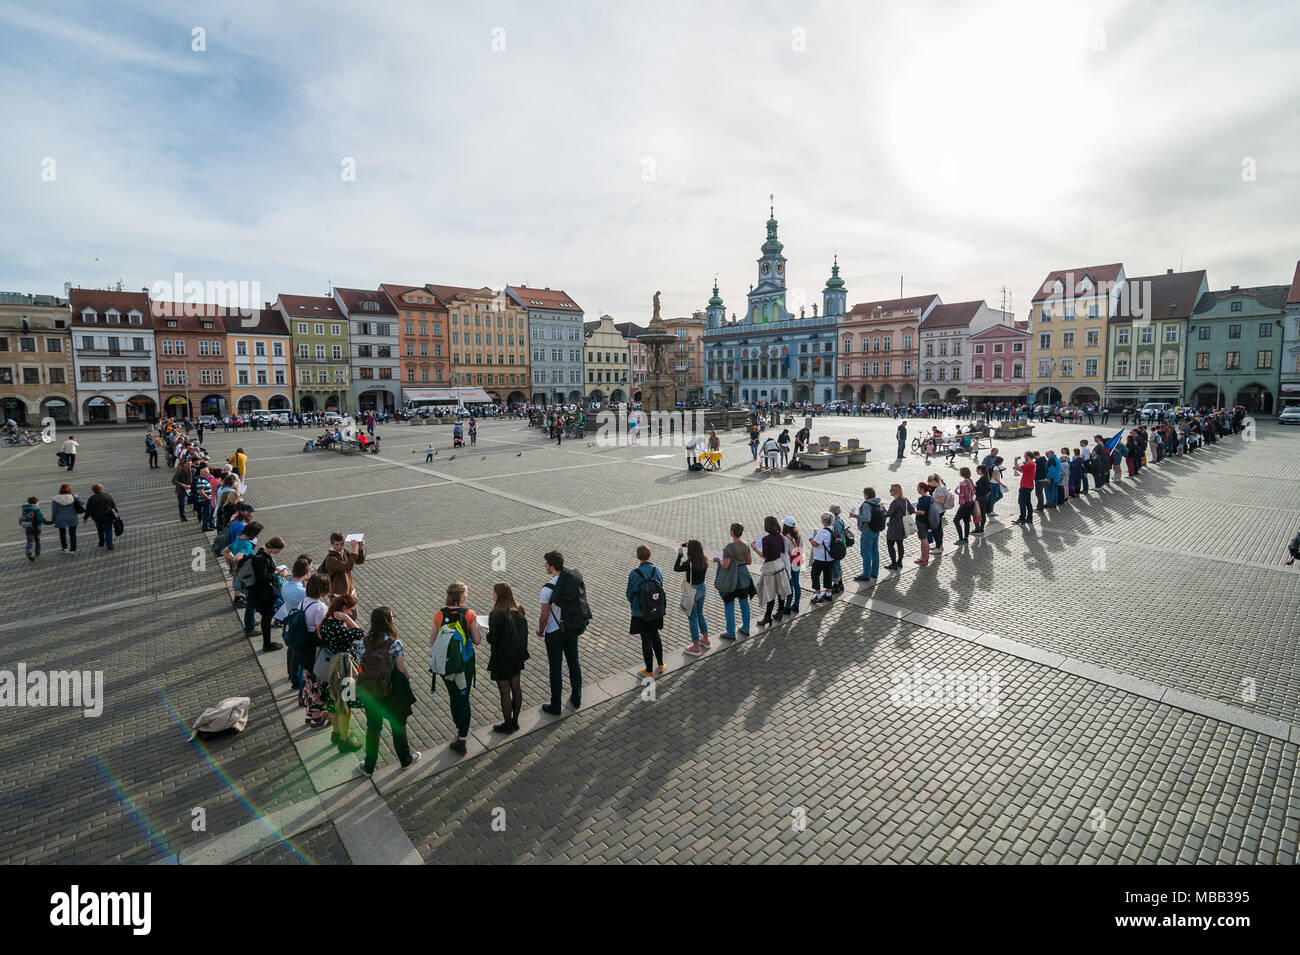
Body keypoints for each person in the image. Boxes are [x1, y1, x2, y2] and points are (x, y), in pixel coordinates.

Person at [355, 606, 420, 774]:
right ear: (388, 621)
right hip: (391, 693)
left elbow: (360, 666)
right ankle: (405, 759)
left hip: (370, 692)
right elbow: (400, 668)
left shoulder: (363, 642)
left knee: (373, 729)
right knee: (398, 727)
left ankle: (369, 766)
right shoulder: (395, 643)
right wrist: (407, 676)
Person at [538, 551, 582, 714]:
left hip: (554, 632)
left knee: (555, 668)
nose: (545, 566)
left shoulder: (547, 589)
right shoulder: (573, 580)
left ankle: (555, 705)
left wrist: (540, 631)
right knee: (574, 663)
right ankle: (576, 697)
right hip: (571, 629)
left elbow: (544, 616)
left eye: (546, 563)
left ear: (551, 565)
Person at [319, 593, 364, 752]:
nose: (352, 613)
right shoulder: (339, 628)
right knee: (346, 705)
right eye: (351, 610)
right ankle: (345, 741)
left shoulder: (326, 622)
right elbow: (360, 633)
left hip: (331, 668)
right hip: (344, 669)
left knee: (333, 702)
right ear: (344, 609)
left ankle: (337, 733)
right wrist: (348, 620)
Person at [487, 582, 529, 734]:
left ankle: (507, 725)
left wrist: (487, 633)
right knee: (516, 687)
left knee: (505, 692)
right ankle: (515, 722)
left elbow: (493, 639)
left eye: (494, 592)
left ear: (499, 595)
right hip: (517, 656)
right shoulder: (519, 609)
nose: (492, 595)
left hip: (501, 658)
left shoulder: (496, 614)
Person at [628, 545, 666, 674]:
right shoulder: (657, 570)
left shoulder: (634, 573)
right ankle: (661, 664)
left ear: (638, 557)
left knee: (646, 640)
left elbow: (629, 593)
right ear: (649, 555)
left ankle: (649, 670)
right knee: (655, 635)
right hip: (656, 609)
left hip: (641, 612)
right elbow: (661, 586)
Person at [301, 574, 332, 727]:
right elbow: (323, 631)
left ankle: (309, 713)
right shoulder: (320, 607)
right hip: (315, 650)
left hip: (304, 648)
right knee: (317, 684)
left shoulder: (304, 602)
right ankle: (317, 718)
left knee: (308, 681)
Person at [247, 536, 286, 653]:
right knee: (266, 618)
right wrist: (276, 572)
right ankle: (267, 644)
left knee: (266, 618)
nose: (279, 552)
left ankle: (267, 642)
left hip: (264, 593)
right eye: (278, 550)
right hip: (265, 594)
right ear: (273, 547)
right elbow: (263, 578)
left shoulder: (262, 553)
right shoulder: (262, 559)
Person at [714, 524, 754, 638]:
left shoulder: (728, 547)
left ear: (732, 532)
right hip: (744, 576)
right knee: (744, 603)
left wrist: (719, 560)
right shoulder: (746, 544)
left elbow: (725, 566)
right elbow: (749, 562)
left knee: (729, 604)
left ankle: (731, 632)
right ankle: (746, 628)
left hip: (732, 578)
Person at [676, 539, 711, 656]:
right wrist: (687, 545)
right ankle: (706, 640)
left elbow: (676, 568)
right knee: (700, 613)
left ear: (690, 550)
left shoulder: (688, 564)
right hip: (702, 589)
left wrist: (679, 555)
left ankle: (695, 647)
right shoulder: (704, 559)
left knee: (692, 618)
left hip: (692, 591)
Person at [754, 515, 793, 620]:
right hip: (780, 565)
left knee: (770, 593)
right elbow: (783, 551)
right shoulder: (781, 536)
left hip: (770, 568)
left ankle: (767, 617)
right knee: (781, 590)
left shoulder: (766, 539)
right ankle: (780, 612)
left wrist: (754, 548)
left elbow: (764, 556)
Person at [851, 487, 884, 581]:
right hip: (876, 531)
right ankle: (874, 572)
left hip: (867, 531)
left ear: (866, 495)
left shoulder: (866, 504)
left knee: (866, 553)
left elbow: (867, 518)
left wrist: (855, 516)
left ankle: (866, 574)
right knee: (875, 553)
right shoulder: (878, 502)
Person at [324, 531, 366, 598]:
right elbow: (348, 567)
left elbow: (359, 561)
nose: (340, 547)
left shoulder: (344, 551)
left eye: (342, 544)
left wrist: (361, 548)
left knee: (354, 608)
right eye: (337, 544)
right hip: (339, 594)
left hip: (351, 590)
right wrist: (354, 550)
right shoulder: (330, 559)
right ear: (331, 544)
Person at [808, 512, 836, 602]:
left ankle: (818, 595)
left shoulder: (823, 532)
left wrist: (811, 539)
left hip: (820, 559)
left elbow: (815, 544)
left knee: (815, 575)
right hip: (830, 558)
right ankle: (828, 594)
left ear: (823, 520)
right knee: (828, 575)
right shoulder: (833, 530)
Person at [50, 483, 83, 555]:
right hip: (72, 518)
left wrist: (53, 519)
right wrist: (77, 497)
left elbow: (54, 510)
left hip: (60, 518)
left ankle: (64, 548)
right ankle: (73, 551)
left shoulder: (55, 498)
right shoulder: (74, 496)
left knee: (62, 534)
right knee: (73, 534)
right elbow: (82, 502)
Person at [84, 483, 118, 550]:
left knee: (100, 530)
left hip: (97, 517)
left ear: (93, 490)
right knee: (108, 530)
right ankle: (110, 545)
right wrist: (116, 510)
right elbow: (113, 504)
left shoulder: (91, 498)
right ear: (101, 488)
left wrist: (85, 518)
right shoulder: (107, 495)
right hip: (107, 516)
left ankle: (101, 542)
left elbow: (89, 509)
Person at [781, 517, 803, 613]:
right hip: (797, 561)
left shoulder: (785, 538)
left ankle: (788, 606)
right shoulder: (798, 536)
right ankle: (796, 604)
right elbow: (801, 549)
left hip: (789, 563)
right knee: (796, 583)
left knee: (790, 585)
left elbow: (784, 553)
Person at [20, 496, 52, 561]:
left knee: (29, 540)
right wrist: (50, 522)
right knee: (37, 539)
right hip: (36, 527)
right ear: (37, 502)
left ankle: (28, 551)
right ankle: (37, 553)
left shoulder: (24, 509)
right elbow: (41, 519)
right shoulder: (37, 509)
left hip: (28, 526)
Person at [1012, 453, 1036, 525]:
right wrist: (1017, 468)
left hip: (1025, 486)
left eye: (1025, 456)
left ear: (1028, 457)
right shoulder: (1032, 464)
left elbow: (1018, 468)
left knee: (1021, 502)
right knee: (1028, 502)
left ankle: (1022, 518)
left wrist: (1015, 460)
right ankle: (1029, 518)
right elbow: (1022, 471)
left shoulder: (1030, 464)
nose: (1024, 457)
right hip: (1029, 486)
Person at [953, 468, 977, 543]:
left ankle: (961, 538)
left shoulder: (963, 482)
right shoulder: (971, 480)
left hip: (965, 504)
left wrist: (957, 493)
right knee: (966, 521)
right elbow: (974, 491)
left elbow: (963, 495)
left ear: (962, 473)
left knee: (956, 520)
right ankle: (966, 538)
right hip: (971, 502)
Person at [914, 482, 934, 564]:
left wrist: (913, 511)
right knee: (925, 540)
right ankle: (925, 557)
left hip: (922, 522)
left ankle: (924, 558)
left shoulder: (922, 499)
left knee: (923, 540)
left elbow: (922, 512)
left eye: (918, 488)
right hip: (928, 521)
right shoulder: (930, 497)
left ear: (922, 489)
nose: (917, 489)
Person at [973, 465, 991, 534]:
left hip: (981, 497)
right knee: (983, 513)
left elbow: (981, 490)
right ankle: (981, 528)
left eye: (977, 470)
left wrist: (974, 487)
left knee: (976, 512)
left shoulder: (983, 478)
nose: (976, 471)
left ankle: (977, 529)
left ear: (980, 470)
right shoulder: (986, 477)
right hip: (985, 497)